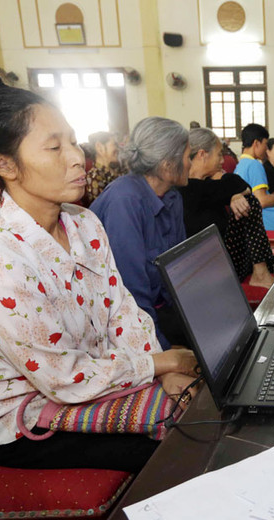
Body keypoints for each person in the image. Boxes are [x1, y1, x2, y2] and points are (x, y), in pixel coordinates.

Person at [0, 71, 196, 473]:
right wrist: (160, 365)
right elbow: (63, 379)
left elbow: (122, 311)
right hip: (19, 419)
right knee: (178, 452)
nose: (78, 156)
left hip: (94, 379)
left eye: (74, 141)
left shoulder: (83, 223)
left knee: (198, 410)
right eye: (54, 147)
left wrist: (160, 368)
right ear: (3, 163)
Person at [90, 117, 190, 350]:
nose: (190, 164)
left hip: (160, 309)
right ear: (167, 165)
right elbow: (130, 295)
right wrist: (161, 350)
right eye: (188, 156)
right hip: (121, 322)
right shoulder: (124, 201)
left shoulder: (173, 197)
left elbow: (178, 268)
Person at [180, 127, 274, 287]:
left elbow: (238, 184)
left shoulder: (210, 186)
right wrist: (236, 193)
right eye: (219, 155)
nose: (222, 161)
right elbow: (236, 183)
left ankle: (263, 268)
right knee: (250, 203)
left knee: (246, 201)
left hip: (225, 258)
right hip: (208, 268)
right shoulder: (190, 189)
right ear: (202, 154)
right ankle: (261, 271)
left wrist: (235, 195)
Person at [83, 131, 126, 204]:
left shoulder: (117, 170)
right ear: (99, 147)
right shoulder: (94, 177)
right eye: (114, 144)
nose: (118, 149)